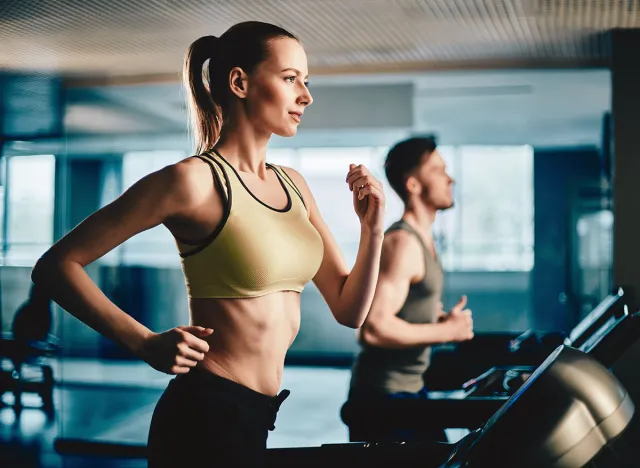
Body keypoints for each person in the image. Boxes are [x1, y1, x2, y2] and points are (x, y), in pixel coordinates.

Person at [31, 21, 385, 467]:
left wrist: (372, 230)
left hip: (256, 416)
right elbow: (56, 265)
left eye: (306, 82)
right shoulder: (191, 182)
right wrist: (143, 343)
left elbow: (350, 310)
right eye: (290, 78)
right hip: (203, 414)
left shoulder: (294, 185)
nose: (306, 97)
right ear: (240, 82)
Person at [345, 136, 473, 443]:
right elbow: (373, 328)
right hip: (383, 398)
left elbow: (400, 311)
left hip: (409, 390)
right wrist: (448, 332)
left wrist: (436, 322)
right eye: (438, 170)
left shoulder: (422, 239)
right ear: (413, 185)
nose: (449, 178)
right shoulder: (403, 243)